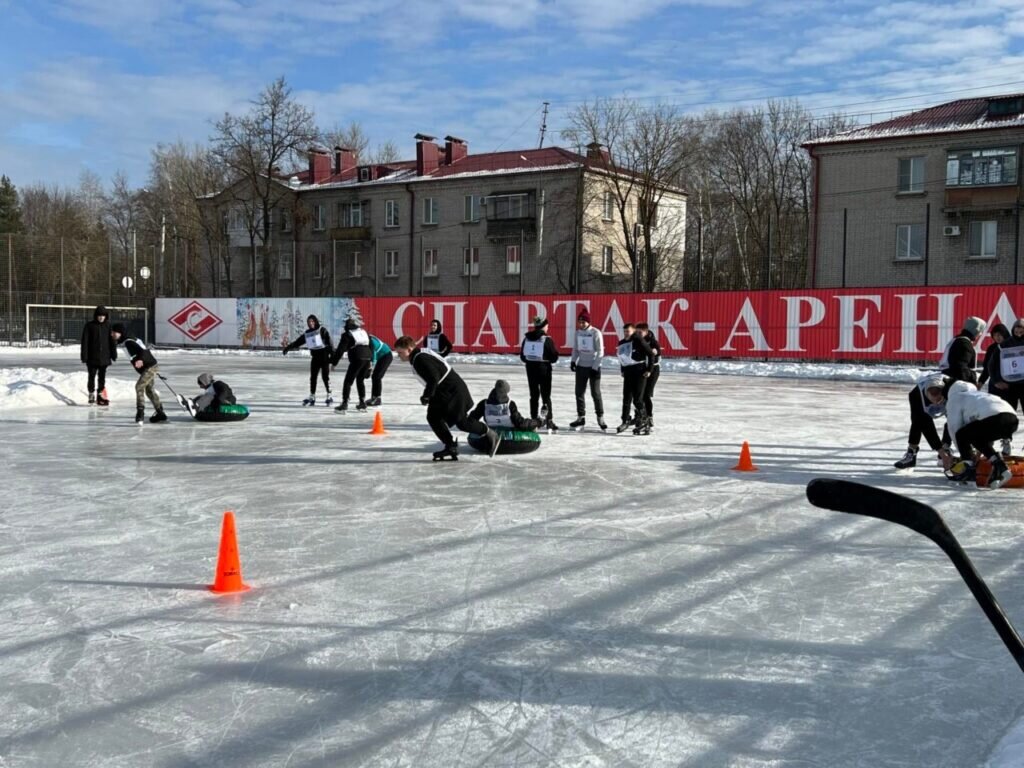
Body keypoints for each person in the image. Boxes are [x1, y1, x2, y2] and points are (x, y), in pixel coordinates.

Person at [393, 335, 500, 461]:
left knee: (462, 423)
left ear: (409, 349)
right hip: (445, 390)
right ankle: (450, 446)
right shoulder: (419, 355)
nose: (399, 355)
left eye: (400, 352)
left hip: (452, 391)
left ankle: (491, 434)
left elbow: (433, 377)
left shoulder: (420, 359)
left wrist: (426, 395)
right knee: (434, 417)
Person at [943, 379, 1016, 488]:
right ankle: (1001, 467)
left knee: (961, 434)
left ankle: (968, 473)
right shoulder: (978, 395)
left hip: (994, 418)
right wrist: (977, 452)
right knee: (976, 436)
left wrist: (966, 455)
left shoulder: (955, 397)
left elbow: (954, 428)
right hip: (1012, 420)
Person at [893, 372, 953, 469]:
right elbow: (927, 427)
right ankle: (911, 453)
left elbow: (957, 420)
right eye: (933, 400)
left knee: (953, 420)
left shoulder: (951, 391)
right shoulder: (916, 396)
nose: (936, 403)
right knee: (918, 422)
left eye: (939, 399)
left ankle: (946, 447)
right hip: (920, 398)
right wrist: (941, 452)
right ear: (927, 394)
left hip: (948, 395)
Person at [111, 323, 166, 425]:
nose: (112, 334)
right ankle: (160, 413)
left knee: (139, 387)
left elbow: (144, 351)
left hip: (150, 367)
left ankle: (140, 413)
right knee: (149, 390)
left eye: (114, 332)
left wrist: (140, 359)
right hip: (150, 366)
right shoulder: (129, 339)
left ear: (120, 333)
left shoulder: (129, 342)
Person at [519, 315, 560, 431]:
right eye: (547, 326)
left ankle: (533, 420)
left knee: (534, 395)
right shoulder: (547, 340)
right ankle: (548, 420)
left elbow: (522, 357)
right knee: (546, 396)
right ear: (544, 326)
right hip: (544, 370)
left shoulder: (526, 339)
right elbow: (554, 357)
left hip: (530, 369)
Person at [979, 323, 1014, 455]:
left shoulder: (1013, 346)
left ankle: (1006, 441)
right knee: (992, 414)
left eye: (1000, 335)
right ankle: (989, 441)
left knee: (1007, 416)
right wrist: (980, 383)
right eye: (995, 335)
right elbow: (986, 370)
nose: (998, 338)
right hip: (994, 387)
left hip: (1010, 387)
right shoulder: (992, 348)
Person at [283, 315, 333, 406]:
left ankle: (329, 395)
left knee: (325, 377)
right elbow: (298, 342)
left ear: (315, 321)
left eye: (312, 321)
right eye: (309, 322)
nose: (311, 323)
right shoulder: (308, 333)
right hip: (315, 358)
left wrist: (332, 357)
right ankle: (312, 395)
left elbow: (330, 344)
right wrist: (288, 348)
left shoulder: (322, 330)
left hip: (324, 357)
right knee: (313, 377)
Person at [569, 311, 606, 431]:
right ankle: (581, 417)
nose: (581, 324)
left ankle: (600, 417)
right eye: (579, 322)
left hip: (593, 367)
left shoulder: (596, 333)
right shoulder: (577, 333)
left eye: (583, 322)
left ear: (588, 322)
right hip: (581, 366)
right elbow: (575, 349)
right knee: (579, 392)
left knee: (596, 393)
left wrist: (595, 367)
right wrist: (573, 361)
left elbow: (600, 351)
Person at [615, 323, 655, 434]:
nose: (626, 333)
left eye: (628, 331)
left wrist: (649, 370)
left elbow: (651, 354)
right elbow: (622, 358)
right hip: (628, 372)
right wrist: (623, 370)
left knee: (637, 399)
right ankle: (625, 420)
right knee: (626, 398)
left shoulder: (638, 340)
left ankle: (644, 421)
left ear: (633, 331)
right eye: (624, 331)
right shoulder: (622, 343)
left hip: (640, 372)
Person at [330, 317, 371, 412]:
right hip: (367, 356)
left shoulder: (347, 334)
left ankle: (344, 403)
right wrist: (370, 362)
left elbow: (340, 350)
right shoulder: (363, 332)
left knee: (348, 381)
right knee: (360, 380)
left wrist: (334, 362)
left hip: (357, 357)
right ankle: (362, 402)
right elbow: (370, 345)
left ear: (346, 326)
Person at [468, 379, 541, 431]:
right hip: (509, 435)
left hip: (491, 433)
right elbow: (520, 423)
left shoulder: (484, 404)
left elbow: (472, 419)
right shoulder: (510, 404)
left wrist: (482, 429)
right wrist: (537, 422)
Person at [80, 305, 116, 405]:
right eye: (99, 315)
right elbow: (85, 342)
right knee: (91, 376)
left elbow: (112, 341)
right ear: (96, 316)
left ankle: (100, 395)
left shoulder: (108, 326)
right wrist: (84, 356)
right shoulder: (89, 326)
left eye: (103, 316)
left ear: (106, 316)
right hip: (92, 357)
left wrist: (113, 353)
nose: (101, 317)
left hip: (104, 357)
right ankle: (91, 393)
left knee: (102, 377)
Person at [939, 316, 986, 385]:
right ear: (975, 330)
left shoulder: (957, 339)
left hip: (949, 377)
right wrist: (972, 381)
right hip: (957, 383)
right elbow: (961, 368)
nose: (980, 334)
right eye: (980, 331)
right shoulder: (964, 343)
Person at [635, 322, 661, 431]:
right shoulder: (636, 340)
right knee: (638, 395)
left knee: (646, 395)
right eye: (637, 332)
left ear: (646, 332)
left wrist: (655, 351)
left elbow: (658, 352)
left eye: (640, 332)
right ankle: (639, 416)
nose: (638, 334)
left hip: (653, 370)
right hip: (641, 369)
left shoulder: (652, 341)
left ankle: (649, 417)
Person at [366, 334, 393, 407]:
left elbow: (373, 355)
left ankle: (377, 399)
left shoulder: (370, 341)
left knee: (377, 377)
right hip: (382, 356)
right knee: (375, 377)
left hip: (386, 356)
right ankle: (374, 397)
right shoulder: (367, 339)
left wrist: (370, 368)